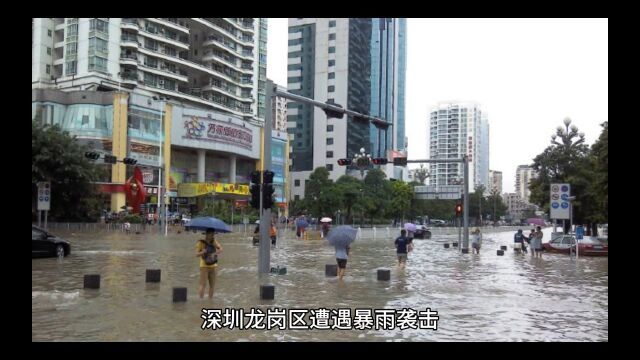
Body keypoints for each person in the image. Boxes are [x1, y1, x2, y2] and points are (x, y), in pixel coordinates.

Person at [195, 229, 223, 299]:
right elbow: (196, 254)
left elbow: (221, 249)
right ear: (207, 234)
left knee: (212, 285)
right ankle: (200, 300)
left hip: (213, 265)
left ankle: (210, 301)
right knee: (203, 284)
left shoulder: (214, 241)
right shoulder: (200, 242)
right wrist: (202, 252)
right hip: (204, 266)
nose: (213, 236)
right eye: (211, 234)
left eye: (213, 234)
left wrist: (215, 253)